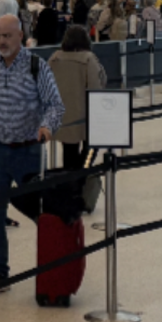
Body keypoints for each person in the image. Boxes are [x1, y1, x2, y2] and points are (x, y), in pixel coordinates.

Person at [0, 14, 65, 296]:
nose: (2, 41)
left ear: (20, 35)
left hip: (28, 151)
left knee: (41, 214)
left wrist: (47, 127)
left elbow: (55, 105)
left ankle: (54, 269)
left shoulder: (37, 66)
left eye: (7, 36)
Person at [48, 25, 106, 207]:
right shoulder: (88, 59)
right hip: (85, 115)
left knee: (68, 152)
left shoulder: (55, 58)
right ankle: (79, 180)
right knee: (91, 148)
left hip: (63, 117)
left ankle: (69, 186)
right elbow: (97, 86)